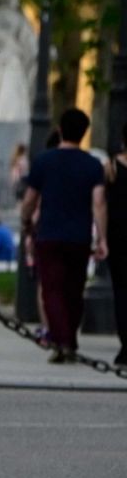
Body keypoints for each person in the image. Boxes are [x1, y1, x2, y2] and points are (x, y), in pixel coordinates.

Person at [21, 108, 107, 364]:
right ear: (84, 133)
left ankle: (62, 341)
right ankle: (69, 339)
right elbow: (99, 203)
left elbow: (30, 199)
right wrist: (102, 238)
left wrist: (26, 221)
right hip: (79, 237)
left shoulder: (44, 161)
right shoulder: (92, 165)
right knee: (74, 290)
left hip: (49, 234)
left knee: (52, 290)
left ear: (60, 129)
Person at [104, 125, 127, 366]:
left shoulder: (111, 167)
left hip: (118, 234)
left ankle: (125, 345)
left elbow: (101, 203)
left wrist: (100, 235)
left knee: (121, 291)